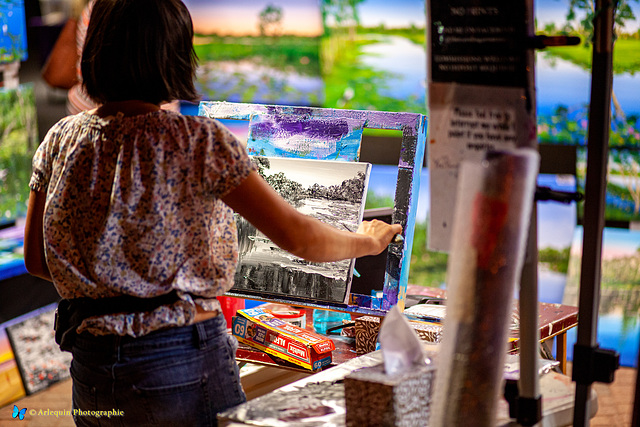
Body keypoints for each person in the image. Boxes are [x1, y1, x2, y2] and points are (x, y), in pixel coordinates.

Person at [23, 0, 401, 425]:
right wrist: (369, 239)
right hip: (177, 364)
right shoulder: (197, 141)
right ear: (176, 55)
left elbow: (37, 261)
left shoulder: (60, 138)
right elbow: (301, 238)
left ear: (94, 52)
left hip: (91, 369)